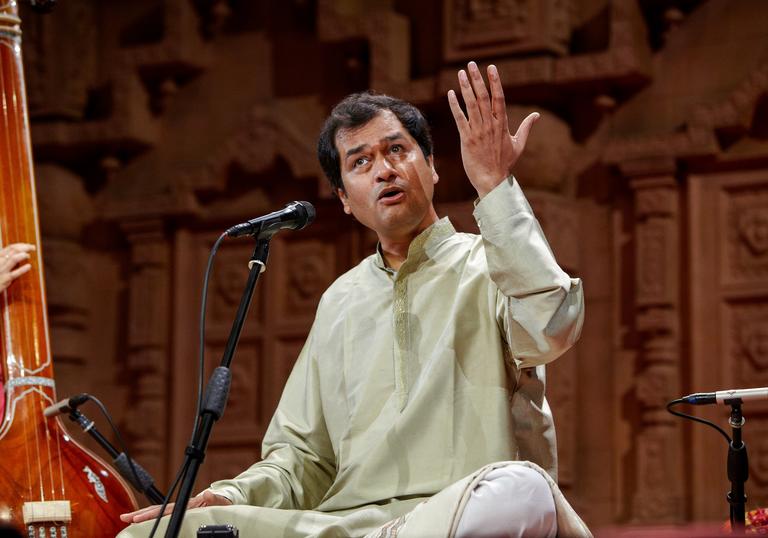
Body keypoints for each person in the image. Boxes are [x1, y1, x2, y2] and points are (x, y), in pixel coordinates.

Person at [119, 62, 590, 537]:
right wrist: (230, 497)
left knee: (518, 490)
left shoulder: (491, 263)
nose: (384, 169)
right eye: (360, 161)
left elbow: (552, 327)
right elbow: (303, 458)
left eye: (398, 150)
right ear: (344, 197)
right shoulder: (339, 300)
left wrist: (493, 185)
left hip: (455, 512)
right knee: (152, 534)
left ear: (431, 167)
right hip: (348, 527)